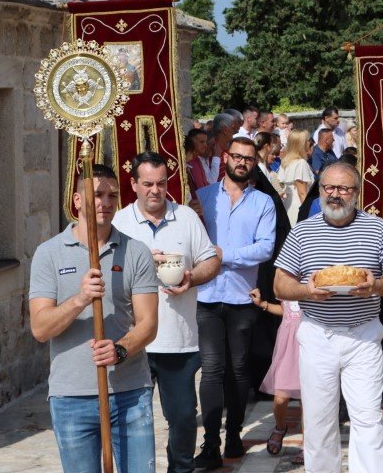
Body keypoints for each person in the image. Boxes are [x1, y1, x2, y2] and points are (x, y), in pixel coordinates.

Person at [274, 162, 383, 473]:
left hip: (363, 335)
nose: (335, 194)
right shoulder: (303, 231)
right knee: (319, 420)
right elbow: (280, 284)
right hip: (317, 334)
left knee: (368, 418)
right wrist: (307, 292)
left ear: (357, 193)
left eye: (344, 188)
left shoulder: (377, 229)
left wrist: (375, 286)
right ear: (320, 190)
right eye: (329, 187)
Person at [29, 164, 159, 473]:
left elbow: (149, 324)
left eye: (112, 195)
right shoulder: (49, 254)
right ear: (77, 200)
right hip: (71, 397)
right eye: (97, 194)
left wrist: (120, 350)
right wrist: (80, 299)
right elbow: (40, 328)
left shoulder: (136, 252)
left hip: (129, 393)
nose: (106, 202)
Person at [112, 153, 221, 473]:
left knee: (184, 417)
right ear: (134, 184)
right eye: (147, 184)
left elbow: (211, 261)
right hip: (134, 340)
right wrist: (142, 262)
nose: (155, 190)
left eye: (161, 183)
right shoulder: (119, 223)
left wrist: (191, 278)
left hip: (179, 340)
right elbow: (106, 273)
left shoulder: (185, 217)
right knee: (133, 419)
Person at [194, 137, 278, 468]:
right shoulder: (203, 198)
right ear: (226, 157)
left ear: (254, 163)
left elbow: (265, 248)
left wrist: (224, 255)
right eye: (237, 156)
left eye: (248, 158)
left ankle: (233, 435)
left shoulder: (263, 203)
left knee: (239, 368)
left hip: (242, 297)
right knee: (212, 369)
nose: (242, 162)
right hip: (206, 296)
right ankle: (211, 442)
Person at [250, 286, 303, 464]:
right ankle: (280, 427)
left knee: (308, 400)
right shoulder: (285, 281)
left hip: (308, 344)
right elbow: (285, 310)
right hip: (287, 345)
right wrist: (263, 304)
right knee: (280, 398)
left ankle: (308, 444)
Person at [277, 129, 315, 226]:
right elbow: (302, 193)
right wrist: (309, 215)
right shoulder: (301, 163)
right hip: (299, 208)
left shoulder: (285, 162)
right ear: (302, 143)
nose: (310, 143)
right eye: (308, 140)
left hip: (288, 206)